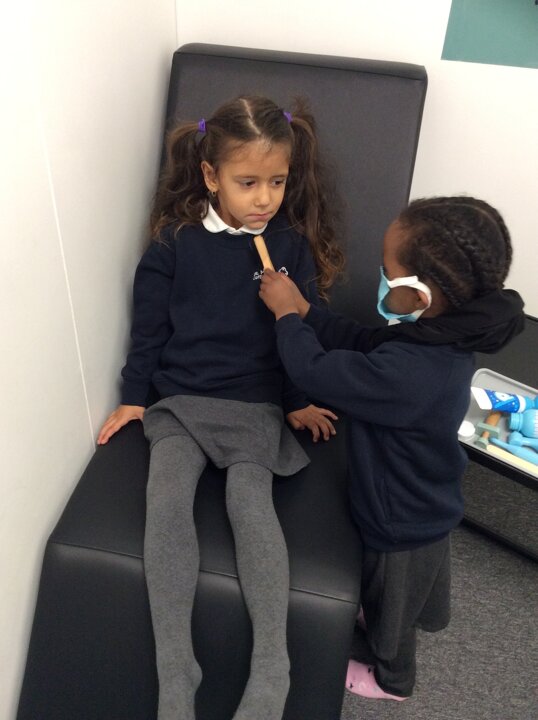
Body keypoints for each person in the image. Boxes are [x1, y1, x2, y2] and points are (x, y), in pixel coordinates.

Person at [97, 95, 344, 720]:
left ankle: (273, 666)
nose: (265, 198)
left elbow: (296, 334)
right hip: (181, 399)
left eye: (277, 182)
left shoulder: (288, 246)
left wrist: (296, 401)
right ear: (211, 176)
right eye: (248, 182)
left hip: (254, 403)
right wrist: (134, 399)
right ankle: (176, 669)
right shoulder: (174, 244)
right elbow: (148, 331)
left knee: (250, 504)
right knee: (166, 498)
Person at [258, 195, 525, 701]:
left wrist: (286, 318)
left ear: (420, 293)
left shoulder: (412, 374)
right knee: (408, 583)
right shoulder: (440, 336)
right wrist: (308, 311)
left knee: (392, 610)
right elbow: (365, 343)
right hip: (427, 496)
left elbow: (315, 371)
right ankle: (409, 612)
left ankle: (391, 679)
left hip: (400, 517)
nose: (379, 279)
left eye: (387, 272)